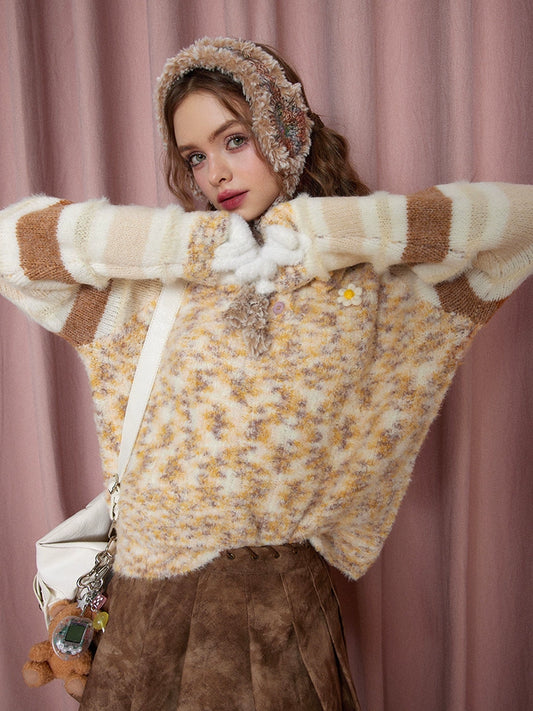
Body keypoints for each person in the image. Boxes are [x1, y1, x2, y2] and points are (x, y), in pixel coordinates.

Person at [1, 36, 532, 711]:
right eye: (195, 156)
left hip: (281, 617)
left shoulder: (375, 291)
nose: (216, 174)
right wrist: (190, 245)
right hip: (146, 616)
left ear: (287, 131)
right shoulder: (154, 289)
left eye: (236, 140)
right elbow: (11, 247)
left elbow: (516, 226)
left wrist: (327, 233)